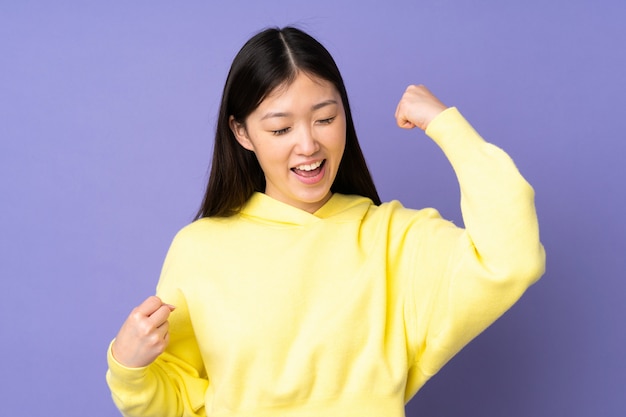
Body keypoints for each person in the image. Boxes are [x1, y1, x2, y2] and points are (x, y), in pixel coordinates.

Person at [106, 26, 545, 417]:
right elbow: (176, 405)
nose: (308, 144)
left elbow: (513, 259)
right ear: (242, 134)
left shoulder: (392, 239)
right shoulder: (199, 249)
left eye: (325, 119)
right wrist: (129, 368)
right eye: (280, 129)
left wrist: (447, 127)